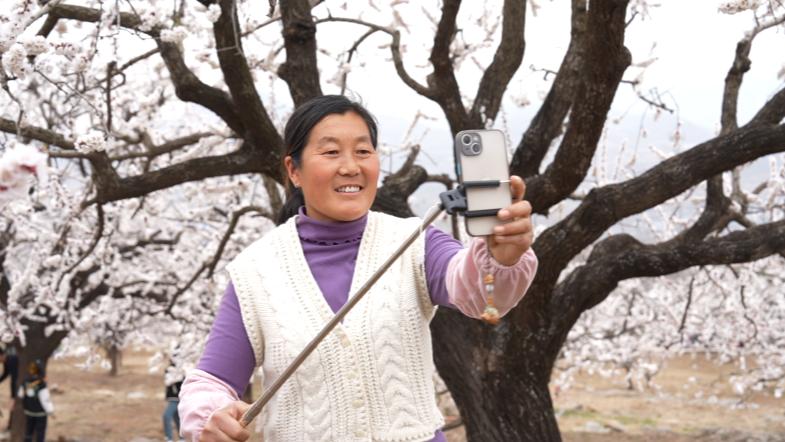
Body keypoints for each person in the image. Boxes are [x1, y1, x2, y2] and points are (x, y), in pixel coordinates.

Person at [179, 95, 538, 442]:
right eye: (331, 151)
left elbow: (481, 295)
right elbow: (212, 381)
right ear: (294, 170)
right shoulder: (255, 271)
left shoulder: (417, 242)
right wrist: (212, 417)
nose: (351, 166)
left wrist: (502, 256)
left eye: (363, 151)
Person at [19, 359, 53, 442]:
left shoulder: (25, 381)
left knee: (29, 431)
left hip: (29, 411)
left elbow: (20, 394)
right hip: (40, 413)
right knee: (40, 432)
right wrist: (50, 410)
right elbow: (45, 399)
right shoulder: (41, 384)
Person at [0, 346, 19, 431]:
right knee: (13, 404)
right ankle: (11, 425)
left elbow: (15, 378)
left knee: (14, 404)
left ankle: (11, 426)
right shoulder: (6, 360)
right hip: (14, 385)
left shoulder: (12, 360)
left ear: (2, 355)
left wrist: (14, 394)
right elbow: (6, 373)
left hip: (18, 385)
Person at [163, 368, 184, 442]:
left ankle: (169, 438)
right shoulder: (169, 370)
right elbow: (167, 381)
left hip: (177, 398)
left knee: (166, 416)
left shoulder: (183, 370)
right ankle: (182, 438)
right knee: (177, 418)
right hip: (172, 398)